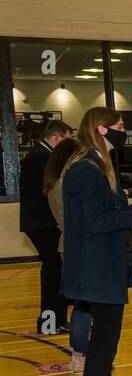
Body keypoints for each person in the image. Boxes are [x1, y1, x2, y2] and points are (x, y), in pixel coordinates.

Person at [61, 107, 132, 376]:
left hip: (105, 268)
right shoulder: (85, 170)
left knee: (107, 342)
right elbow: (95, 221)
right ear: (102, 130)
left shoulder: (99, 167)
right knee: (103, 343)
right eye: (119, 127)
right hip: (96, 270)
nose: (124, 132)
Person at [41, 137, 93, 373]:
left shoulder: (54, 181)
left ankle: (79, 354)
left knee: (82, 304)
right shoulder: (69, 180)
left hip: (67, 245)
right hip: (79, 246)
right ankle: (81, 354)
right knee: (86, 306)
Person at [20, 120, 75, 334]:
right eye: (68, 140)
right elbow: (51, 194)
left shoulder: (39, 155)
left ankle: (53, 321)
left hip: (40, 222)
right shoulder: (43, 157)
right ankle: (52, 322)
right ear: (57, 138)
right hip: (44, 223)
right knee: (54, 271)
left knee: (54, 270)